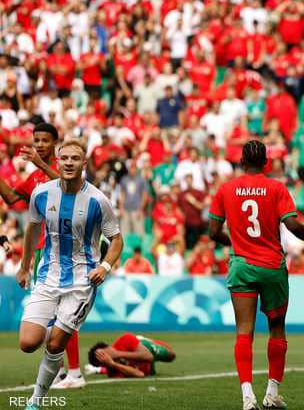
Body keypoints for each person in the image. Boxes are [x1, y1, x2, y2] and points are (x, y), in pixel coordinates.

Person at [208, 140, 304, 410]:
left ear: (241, 161)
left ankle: (247, 397)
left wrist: (236, 241)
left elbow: (212, 232)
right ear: (266, 162)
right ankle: (272, 393)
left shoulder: (226, 189)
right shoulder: (276, 188)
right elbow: (292, 224)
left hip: (241, 266)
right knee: (276, 329)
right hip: (271, 267)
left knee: (244, 332)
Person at [16, 139, 123, 410]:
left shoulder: (98, 200)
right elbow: (32, 228)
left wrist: (105, 267)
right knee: (27, 343)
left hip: (81, 282)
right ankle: (57, 330)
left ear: (83, 163)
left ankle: (35, 401)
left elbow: (117, 239)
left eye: (75, 158)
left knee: (55, 346)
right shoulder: (41, 194)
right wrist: (25, 266)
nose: (69, 163)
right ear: (57, 161)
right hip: (47, 277)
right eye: (64, 158)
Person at [0, 123, 85, 390]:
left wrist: (40, 163)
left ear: (55, 144)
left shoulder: (67, 167)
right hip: (43, 252)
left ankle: (74, 373)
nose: (39, 144)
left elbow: (68, 187)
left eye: (45, 140)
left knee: (64, 315)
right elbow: (12, 198)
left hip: (66, 250)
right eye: (36, 140)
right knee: (53, 315)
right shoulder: (35, 176)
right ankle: (62, 371)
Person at [86, 333, 176, 378]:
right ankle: (98, 370)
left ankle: (143, 339)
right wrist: (113, 364)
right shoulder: (113, 373)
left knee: (171, 355)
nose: (108, 356)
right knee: (151, 374)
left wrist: (118, 354)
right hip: (146, 367)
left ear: (109, 347)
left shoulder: (125, 339)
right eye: (103, 357)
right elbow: (140, 374)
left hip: (146, 347)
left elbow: (149, 357)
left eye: (105, 353)